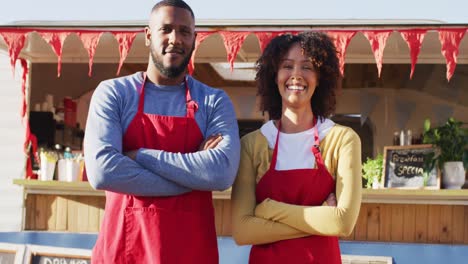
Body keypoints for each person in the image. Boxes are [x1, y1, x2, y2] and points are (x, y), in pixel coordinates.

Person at [83, 0, 240, 263]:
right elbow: (101, 171)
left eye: (184, 31)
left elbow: (221, 173)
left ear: (194, 38)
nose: (175, 39)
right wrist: (193, 177)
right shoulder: (114, 93)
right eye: (165, 29)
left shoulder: (214, 101)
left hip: (192, 253)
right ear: (147, 35)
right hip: (125, 252)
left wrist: (138, 156)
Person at [231, 32, 362, 264]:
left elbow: (343, 223)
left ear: (320, 77)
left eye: (307, 67)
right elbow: (242, 232)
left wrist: (269, 210)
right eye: (287, 66)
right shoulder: (252, 145)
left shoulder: (342, 139)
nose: (296, 75)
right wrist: (321, 220)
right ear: (274, 76)